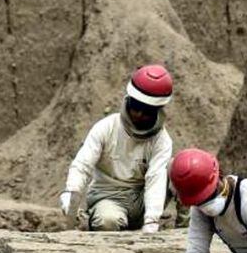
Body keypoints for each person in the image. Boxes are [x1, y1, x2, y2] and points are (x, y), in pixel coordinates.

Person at [59, 64, 174, 233]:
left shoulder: (161, 140)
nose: (139, 115)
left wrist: (152, 219)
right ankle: (99, 220)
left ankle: (184, 229)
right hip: (108, 197)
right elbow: (83, 164)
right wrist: (72, 191)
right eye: (136, 108)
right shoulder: (106, 128)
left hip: (141, 201)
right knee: (108, 221)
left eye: (146, 111)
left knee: (182, 167)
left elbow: (155, 178)